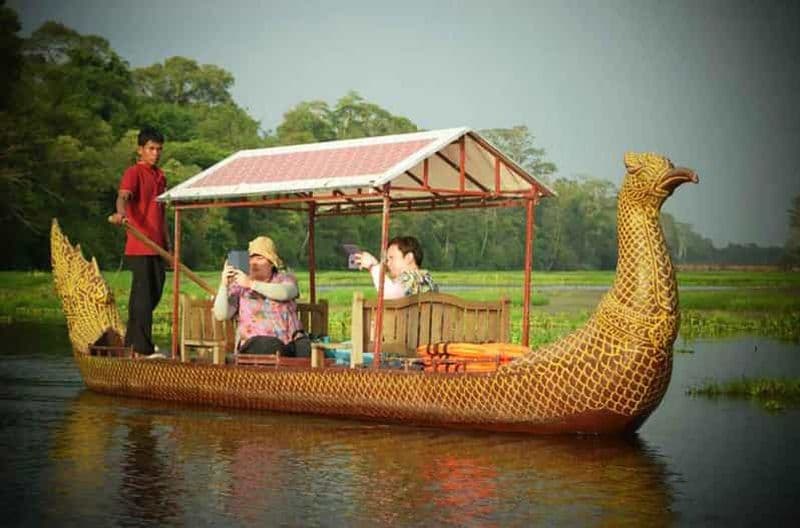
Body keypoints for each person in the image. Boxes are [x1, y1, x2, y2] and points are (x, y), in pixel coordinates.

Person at [109, 127, 170, 357]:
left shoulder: (161, 176)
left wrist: (169, 249)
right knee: (143, 297)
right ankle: (141, 348)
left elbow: (162, 214)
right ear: (141, 150)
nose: (155, 153)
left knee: (154, 292)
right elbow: (122, 197)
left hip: (157, 246)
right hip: (140, 244)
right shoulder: (133, 172)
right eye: (151, 149)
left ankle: (133, 342)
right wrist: (121, 214)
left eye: (159, 149)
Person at [213, 236, 305, 356]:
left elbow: (286, 293)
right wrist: (224, 284)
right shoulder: (239, 286)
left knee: (306, 348)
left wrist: (251, 284)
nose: (254, 263)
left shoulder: (285, 279)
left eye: (260, 258)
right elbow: (221, 315)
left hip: (292, 342)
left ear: (272, 263)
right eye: (251, 258)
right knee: (271, 345)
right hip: (256, 345)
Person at [354, 236, 438, 299]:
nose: (388, 263)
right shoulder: (427, 280)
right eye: (387, 259)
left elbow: (390, 295)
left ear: (409, 258)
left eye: (391, 258)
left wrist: (373, 266)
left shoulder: (410, 277)